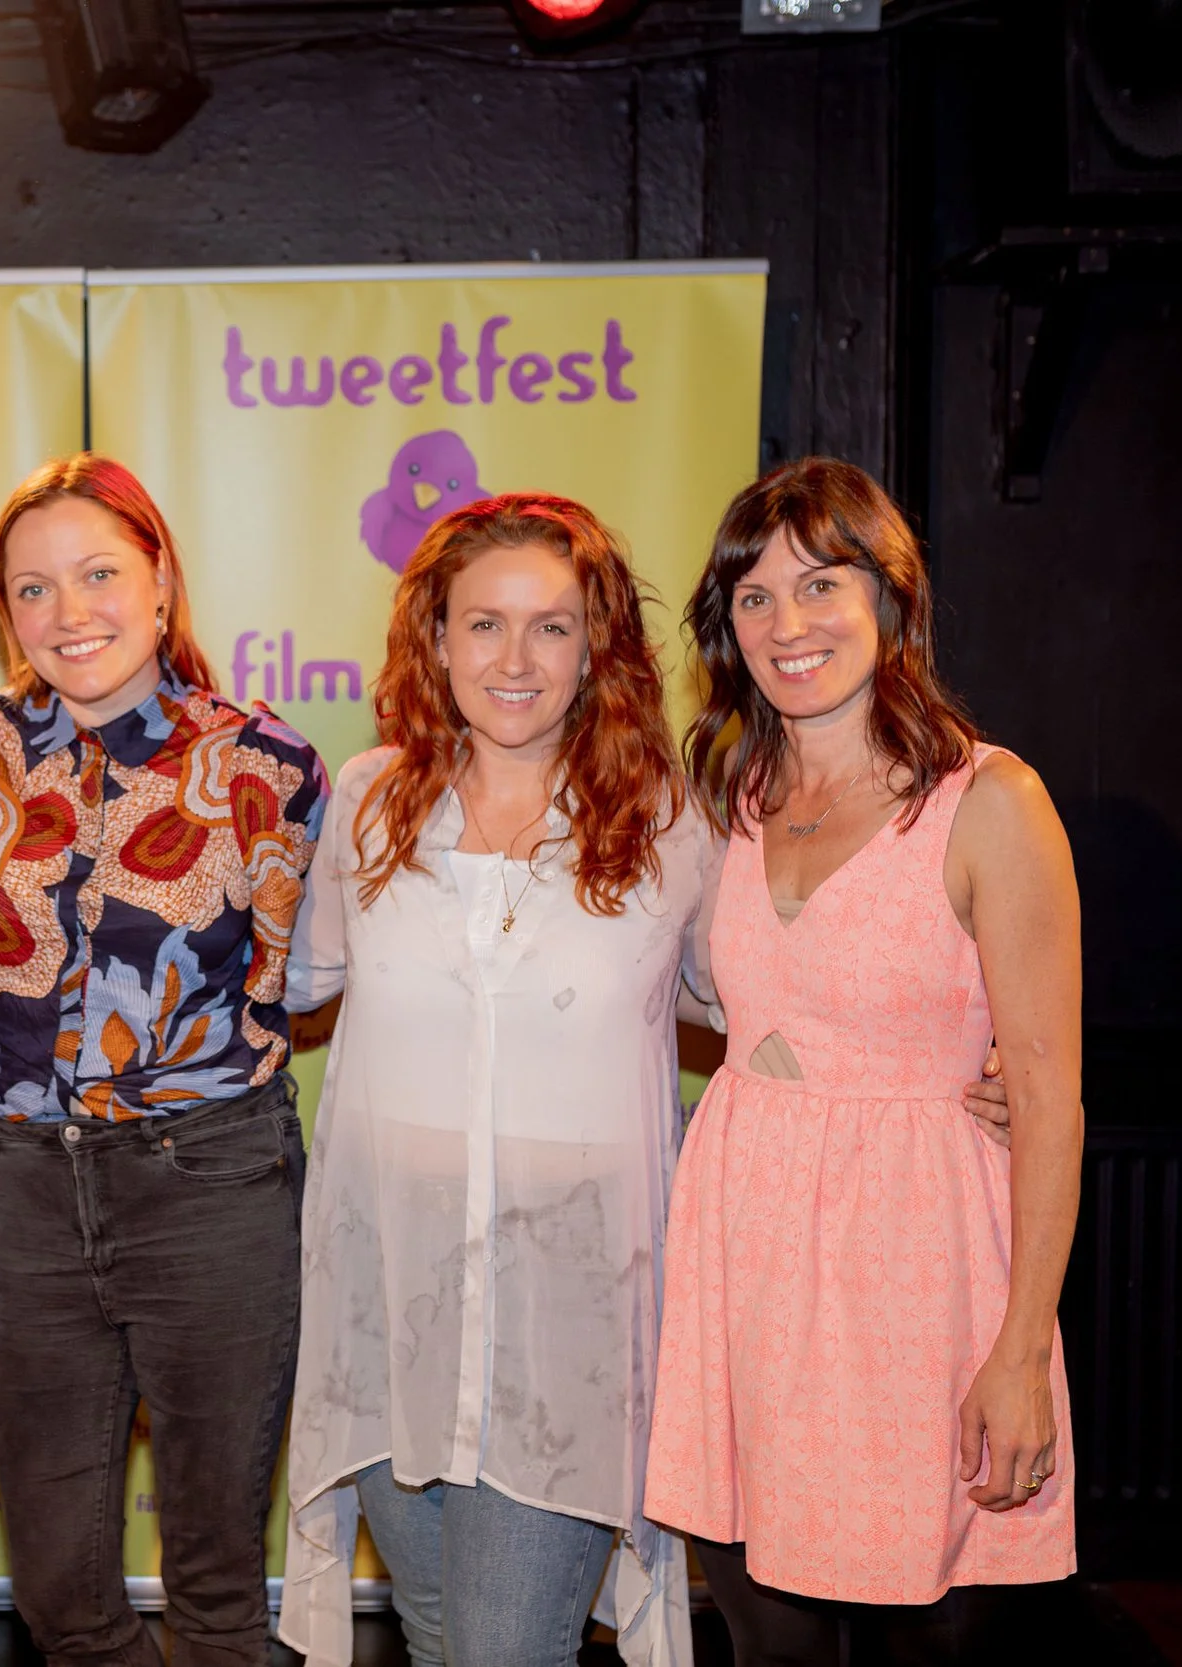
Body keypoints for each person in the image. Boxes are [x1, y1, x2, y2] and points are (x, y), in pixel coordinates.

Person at [645, 457, 1084, 1663]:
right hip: (746, 1261)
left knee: (931, 1636)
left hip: (922, 1273)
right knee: (766, 1632)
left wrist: (1021, 1348)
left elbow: (1049, 1099)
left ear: (890, 600)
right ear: (725, 627)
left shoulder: (990, 800)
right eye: (755, 597)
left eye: (821, 584)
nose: (789, 625)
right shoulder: (725, 791)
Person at [278, 494, 706, 1667]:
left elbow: (765, 1000)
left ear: (599, 647)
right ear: (434, 637)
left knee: (503, 1651)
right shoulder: (368, 799)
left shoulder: (673, 820)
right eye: (482, 624)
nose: (513, 660)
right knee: (432, 1637)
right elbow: (285, 982)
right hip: (390, 1310)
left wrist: (952, 1062)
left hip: (566, 1330)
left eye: (551, 627)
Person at [0, 454, 329, 1667]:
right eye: (33, 589)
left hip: (206, 1177)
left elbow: (286, 983)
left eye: (100, 572)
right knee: (62, 1593)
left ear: (160, 583)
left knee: (212, 1581)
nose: (69, 611)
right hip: (33, 1189)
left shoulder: (267, 764)